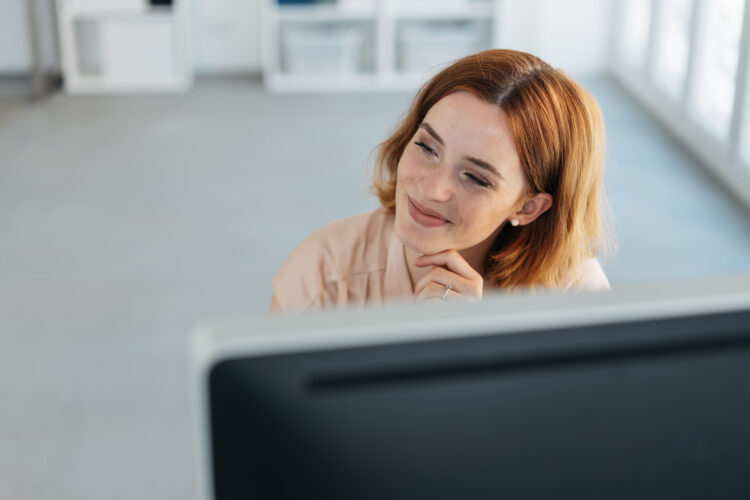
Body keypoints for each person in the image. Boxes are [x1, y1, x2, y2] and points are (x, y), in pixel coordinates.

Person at [271, 49, 613, 313]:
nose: (431, 189)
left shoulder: (575, 293)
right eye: (426, 146)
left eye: (476, 178)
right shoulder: (325, 274)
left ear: (528, 207)